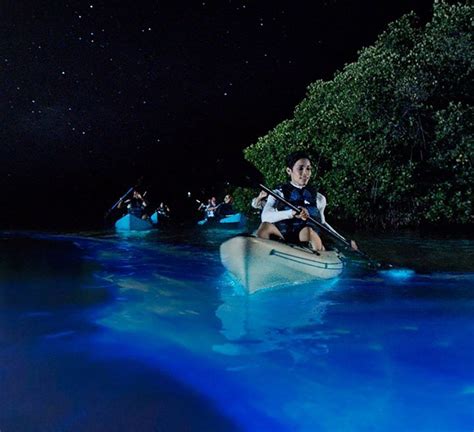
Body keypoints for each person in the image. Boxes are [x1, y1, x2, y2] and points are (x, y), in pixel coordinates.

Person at [257, 151, 357, 251]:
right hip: (284, 235)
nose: (305, 173)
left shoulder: (319, 198)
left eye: (308, 169)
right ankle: (263, 255)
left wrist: (344, 241)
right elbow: (265, 217)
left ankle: (318, 256)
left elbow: (322, 223)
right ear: (289, 171)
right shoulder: (278, 194)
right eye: (300, 168)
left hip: (306, 237)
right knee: (264, 226)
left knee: (308, 231)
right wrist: (292, 213)